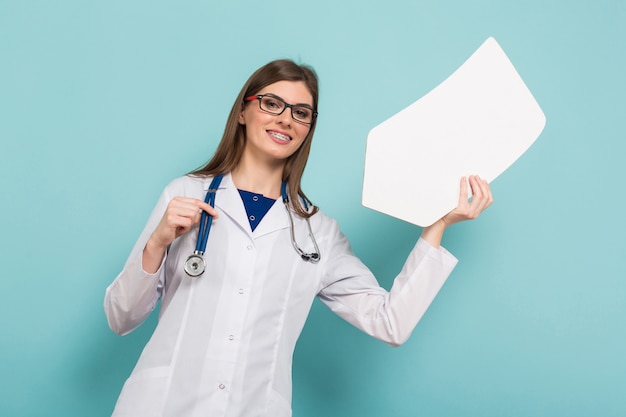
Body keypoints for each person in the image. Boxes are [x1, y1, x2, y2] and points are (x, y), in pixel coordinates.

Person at [104, 59, 493, 417]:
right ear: (243, 111)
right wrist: (156, 244)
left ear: (308, 128)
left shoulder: (317, 233)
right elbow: (121, 317)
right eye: (272, 103)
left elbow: (390, 322)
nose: (286, 119)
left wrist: (436, 226)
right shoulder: (184, 195)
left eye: (301, 113)